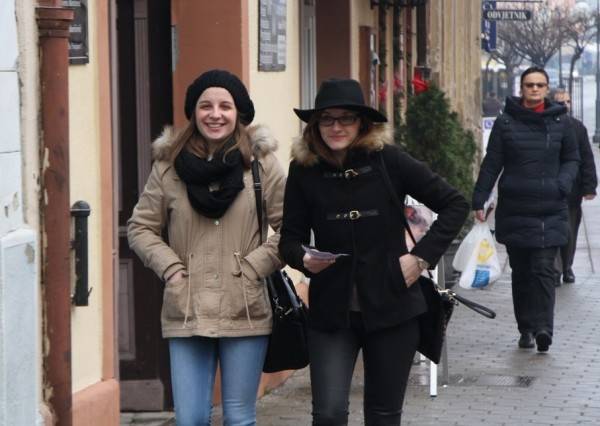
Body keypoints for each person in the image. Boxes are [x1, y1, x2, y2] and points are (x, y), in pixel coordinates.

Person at [279, 78, 469, 425]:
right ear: (315, 125)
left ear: (362, 123)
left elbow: (455, 204)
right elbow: (290, 238)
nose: (336, 127)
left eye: (346, 118)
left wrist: (420, 258)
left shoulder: (388, 160)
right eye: (327, 119)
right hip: (331, 311)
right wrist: (303, 259)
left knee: (383, 416)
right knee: (328, 414)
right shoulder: (304, 170)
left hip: (393, 306)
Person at [127, 69, 286, 425]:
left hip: (244, 307)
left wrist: (253, 267)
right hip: (187, 306)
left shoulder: (261, 165)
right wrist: (171, 268)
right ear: (193, 112)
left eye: (225, 106)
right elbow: (140, 227)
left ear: (238, 112)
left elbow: (291, 229)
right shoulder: (168, 167)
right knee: (190, 419)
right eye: (205, 106)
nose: (215, 114)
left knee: (239, 418)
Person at [472, 67, 580, 353]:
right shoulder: (506, 122)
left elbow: (572, 158)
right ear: (522, 88)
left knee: (544, 269)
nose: (534, 89)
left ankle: (544, 328)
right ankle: (526, 328)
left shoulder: (561, 122)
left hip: (550, 207)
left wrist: (563, 183)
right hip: (516, 208)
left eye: (539, 85)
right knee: (521, 273)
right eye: (529, 85)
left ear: (546, 88)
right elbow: (492, 162)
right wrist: (479, 199)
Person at [551, 88, 597, 285]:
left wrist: (589, 186)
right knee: (552, 230)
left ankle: (567, 266)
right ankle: (555, 270)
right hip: (549, 189)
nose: (564, 105)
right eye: (560, 102)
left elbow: (587, 157)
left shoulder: (578, 127)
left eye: (567, 102)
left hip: (572, 190)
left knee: (569, 231)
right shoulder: (544, 125)